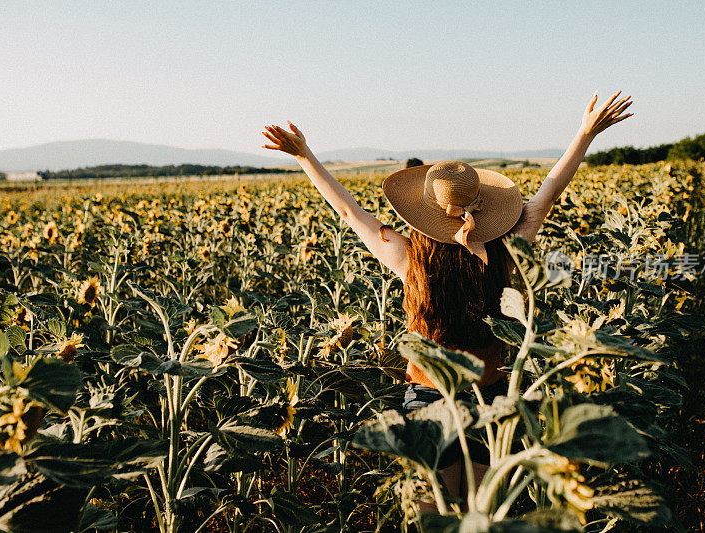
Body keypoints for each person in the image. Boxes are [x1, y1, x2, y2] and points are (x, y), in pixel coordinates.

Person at [260, 90, 633, 509]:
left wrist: (305, 155)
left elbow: (349, 213)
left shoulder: (409, 258)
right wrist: (585, 134)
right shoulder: (504, 254)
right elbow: (549, 192)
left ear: (423, 214)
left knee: (429, 516)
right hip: (486, 400)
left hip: (426, 400)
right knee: (479, 512)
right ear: (486, 208)